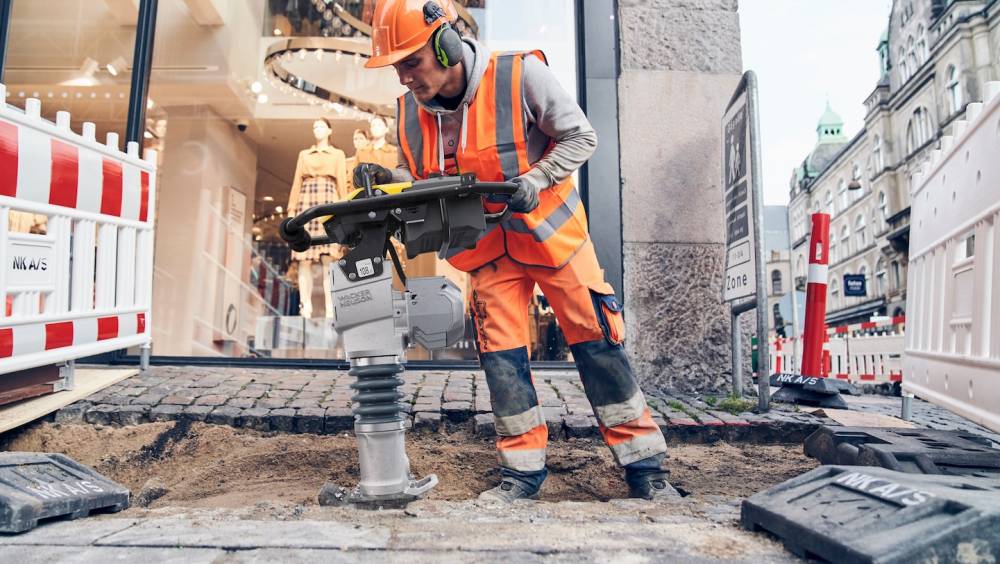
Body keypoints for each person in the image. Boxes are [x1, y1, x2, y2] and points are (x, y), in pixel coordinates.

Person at [358, 0, 677, 502]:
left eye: (410, 62)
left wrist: (538, 176)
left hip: (555, 242)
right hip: (487, 253)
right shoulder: (408, 113)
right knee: (502, 361)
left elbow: (580, 135)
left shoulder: (520, 74)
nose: (403, 78)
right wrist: (390, 180)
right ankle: (521, 473)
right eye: (396, 67)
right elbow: (420, 180)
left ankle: (645, 470)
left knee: (598, 347)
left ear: (444, 45)